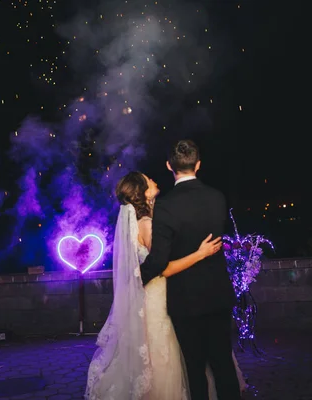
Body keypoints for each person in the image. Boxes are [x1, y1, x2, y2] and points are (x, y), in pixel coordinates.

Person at [84, 171, 222, 399]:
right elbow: (164, 268)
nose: (154, 180)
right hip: (159, 299)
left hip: (149, 296)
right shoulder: (147, 225)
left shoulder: (142, 222)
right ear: (142, 191)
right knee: (163, 356)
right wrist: (200, 254)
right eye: (148, 179)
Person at [140, 140, 242, 400]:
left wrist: (137, 275)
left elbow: (159, 260)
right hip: (218, 293)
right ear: (198, 164)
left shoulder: (165, 205)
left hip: (186, 300)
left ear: (168, 166)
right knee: (223, 365)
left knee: (195, 369)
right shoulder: (217, 197)